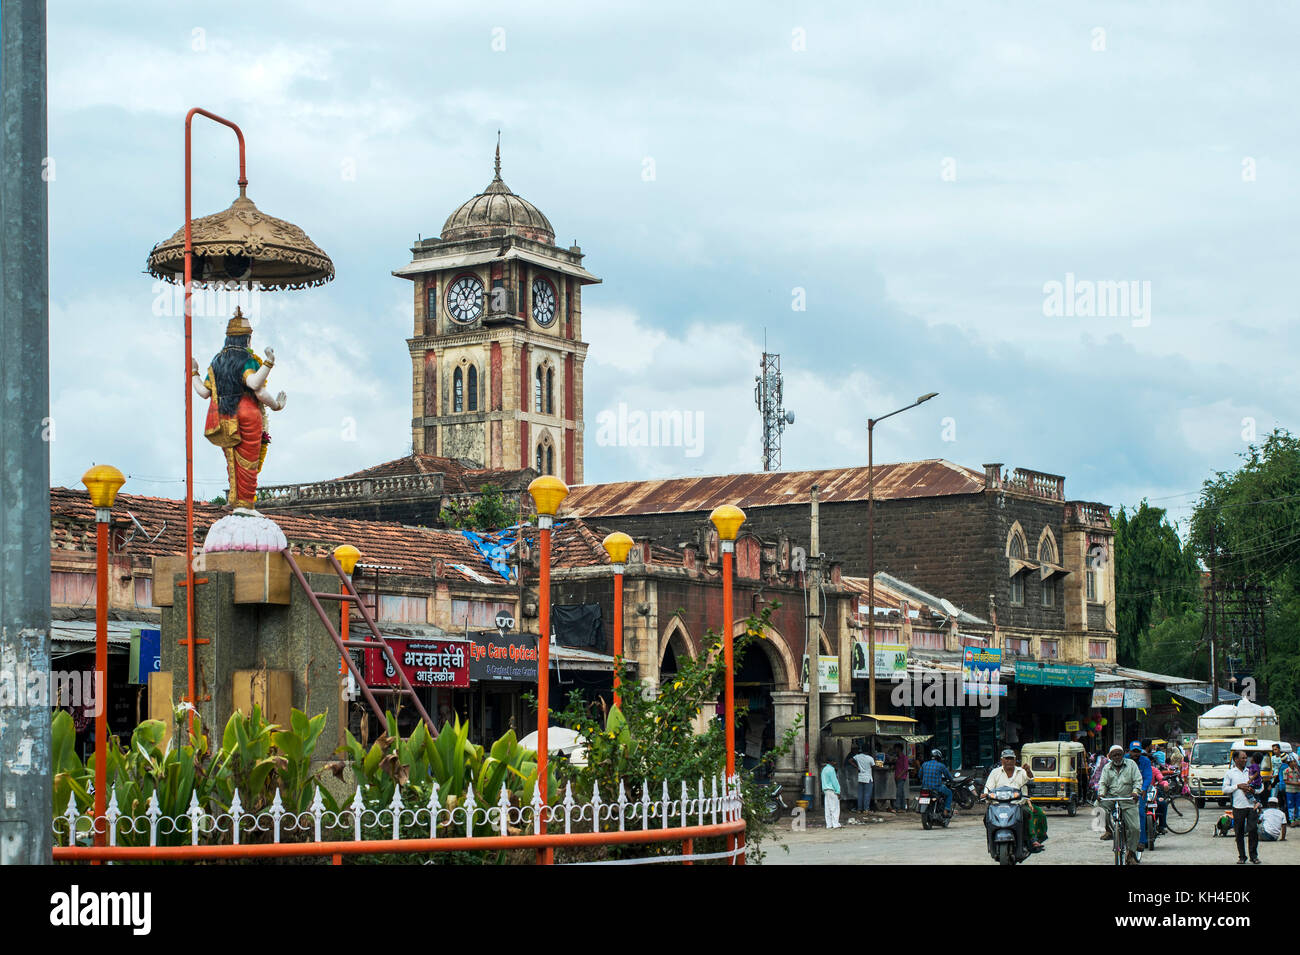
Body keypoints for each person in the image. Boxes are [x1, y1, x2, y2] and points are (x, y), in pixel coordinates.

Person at [192, 308, 287, 509]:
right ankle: (245, 504)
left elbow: (204, 392)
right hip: (248, 413)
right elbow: (255, 385)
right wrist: (269, 363)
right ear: (247, 339)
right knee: (248, 462)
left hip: (224, 414)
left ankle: (233, 501)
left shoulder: (217, 361)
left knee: (232, 459)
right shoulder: (247, 359)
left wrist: (194, 373)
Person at [983, 748, 1040, 853]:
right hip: (998, 805)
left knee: (1026, 813)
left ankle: (1028, 840)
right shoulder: (995, 772)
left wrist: (1028, 770)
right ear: (1002, 760)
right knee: (986, 818)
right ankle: (992, 842)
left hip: (1017, 805)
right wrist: (985, 794)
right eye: (1006, 759)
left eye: (1011, 759)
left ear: (1015, 760)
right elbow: (988, 787)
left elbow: (1031, 779)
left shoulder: (1021, 771)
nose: (1009, 761)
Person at [1098, 744, 1143, 864]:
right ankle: (1109, 830)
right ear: (1110, 756)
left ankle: (1131, 854)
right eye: (1114, 755)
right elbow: (1102, 783)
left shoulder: (1131, 765)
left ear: (1123, 755)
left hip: (1128, 798)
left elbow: (1138, 780)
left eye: (1119, 754)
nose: (1117, 757)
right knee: (1098, 807)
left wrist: (1135, 792)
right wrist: (1101, 793)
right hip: (1111, 797)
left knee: (1135, 828)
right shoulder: (1107, 768)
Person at [1224, 747, 1261, 864]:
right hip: (1238, 806)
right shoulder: (1230, 773)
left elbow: (1261, 787)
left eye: (1246, 758)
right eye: (1243, 758)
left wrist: (1254, 791)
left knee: (1253, 830)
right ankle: (1242, 856)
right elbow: (1224, 789)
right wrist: (1237, 786)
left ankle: (1254, 856)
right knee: (1239, 832)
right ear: (1235, 759)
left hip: (1251, 806)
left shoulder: (1251, 771)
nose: (1245, 760)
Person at [1128, 741, 1153, 850]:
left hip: (1140, 791)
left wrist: (1143, 789)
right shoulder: (1124, 759)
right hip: (1125, 790)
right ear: (1129, 751)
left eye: (1138, 752)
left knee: (1140, 813)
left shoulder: (1145, 761)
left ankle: (1141, 841)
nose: (1136, 754)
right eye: (1134, 751)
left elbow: (1148, 777)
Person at [920, 749, 955, 817]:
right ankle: (946, 810)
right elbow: (948, 777)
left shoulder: (924, 764)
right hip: (936, 788)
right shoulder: (941, 765)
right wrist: (952, 780)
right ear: (939, 757)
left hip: (924, 788)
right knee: (949, 793)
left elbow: (919, 775)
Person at [851, 747, 876, 813]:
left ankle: (859, 809)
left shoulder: (857, 756)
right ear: (868, 751)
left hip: (860, 777)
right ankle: (866, 809)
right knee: (867, 794)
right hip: (868, 778)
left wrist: (857, 767)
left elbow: (850, 760)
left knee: (860, 794)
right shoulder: (870, 758)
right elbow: (874, 766)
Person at [821, 754, 842, 829]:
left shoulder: (824, 769)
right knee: (835, 808)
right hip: (832, 790)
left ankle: (829, 824)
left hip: (826, 790)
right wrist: (838, 791)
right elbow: (834, 781)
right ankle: (835, 824)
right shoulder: (831, 769)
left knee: (828, 808)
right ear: (831, 762)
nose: (835, 763)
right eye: (834, 761)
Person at [1282, 752, 1300, 823]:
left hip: (1298, 790)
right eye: (1293, 762)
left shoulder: (1298, 771)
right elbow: (1286, 781)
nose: (1295, 763)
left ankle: (1298, 819)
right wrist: (1296, 783)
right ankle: (1291, 820)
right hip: (1290, 791)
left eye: (1295, 761)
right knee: (1291, 806)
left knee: (1299, 806)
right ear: (1289, 763)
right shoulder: (1286, 771)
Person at [893, 744, 910, 812]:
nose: (895, 750)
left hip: (901, 777)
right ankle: (903, 807)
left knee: (899, 792)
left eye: (896, 748)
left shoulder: (904, 757)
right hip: (897, 776)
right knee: (901, 792)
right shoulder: (897, 758)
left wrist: (899, 775)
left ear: (899, 749)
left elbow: (905, 768)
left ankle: (897, 807)